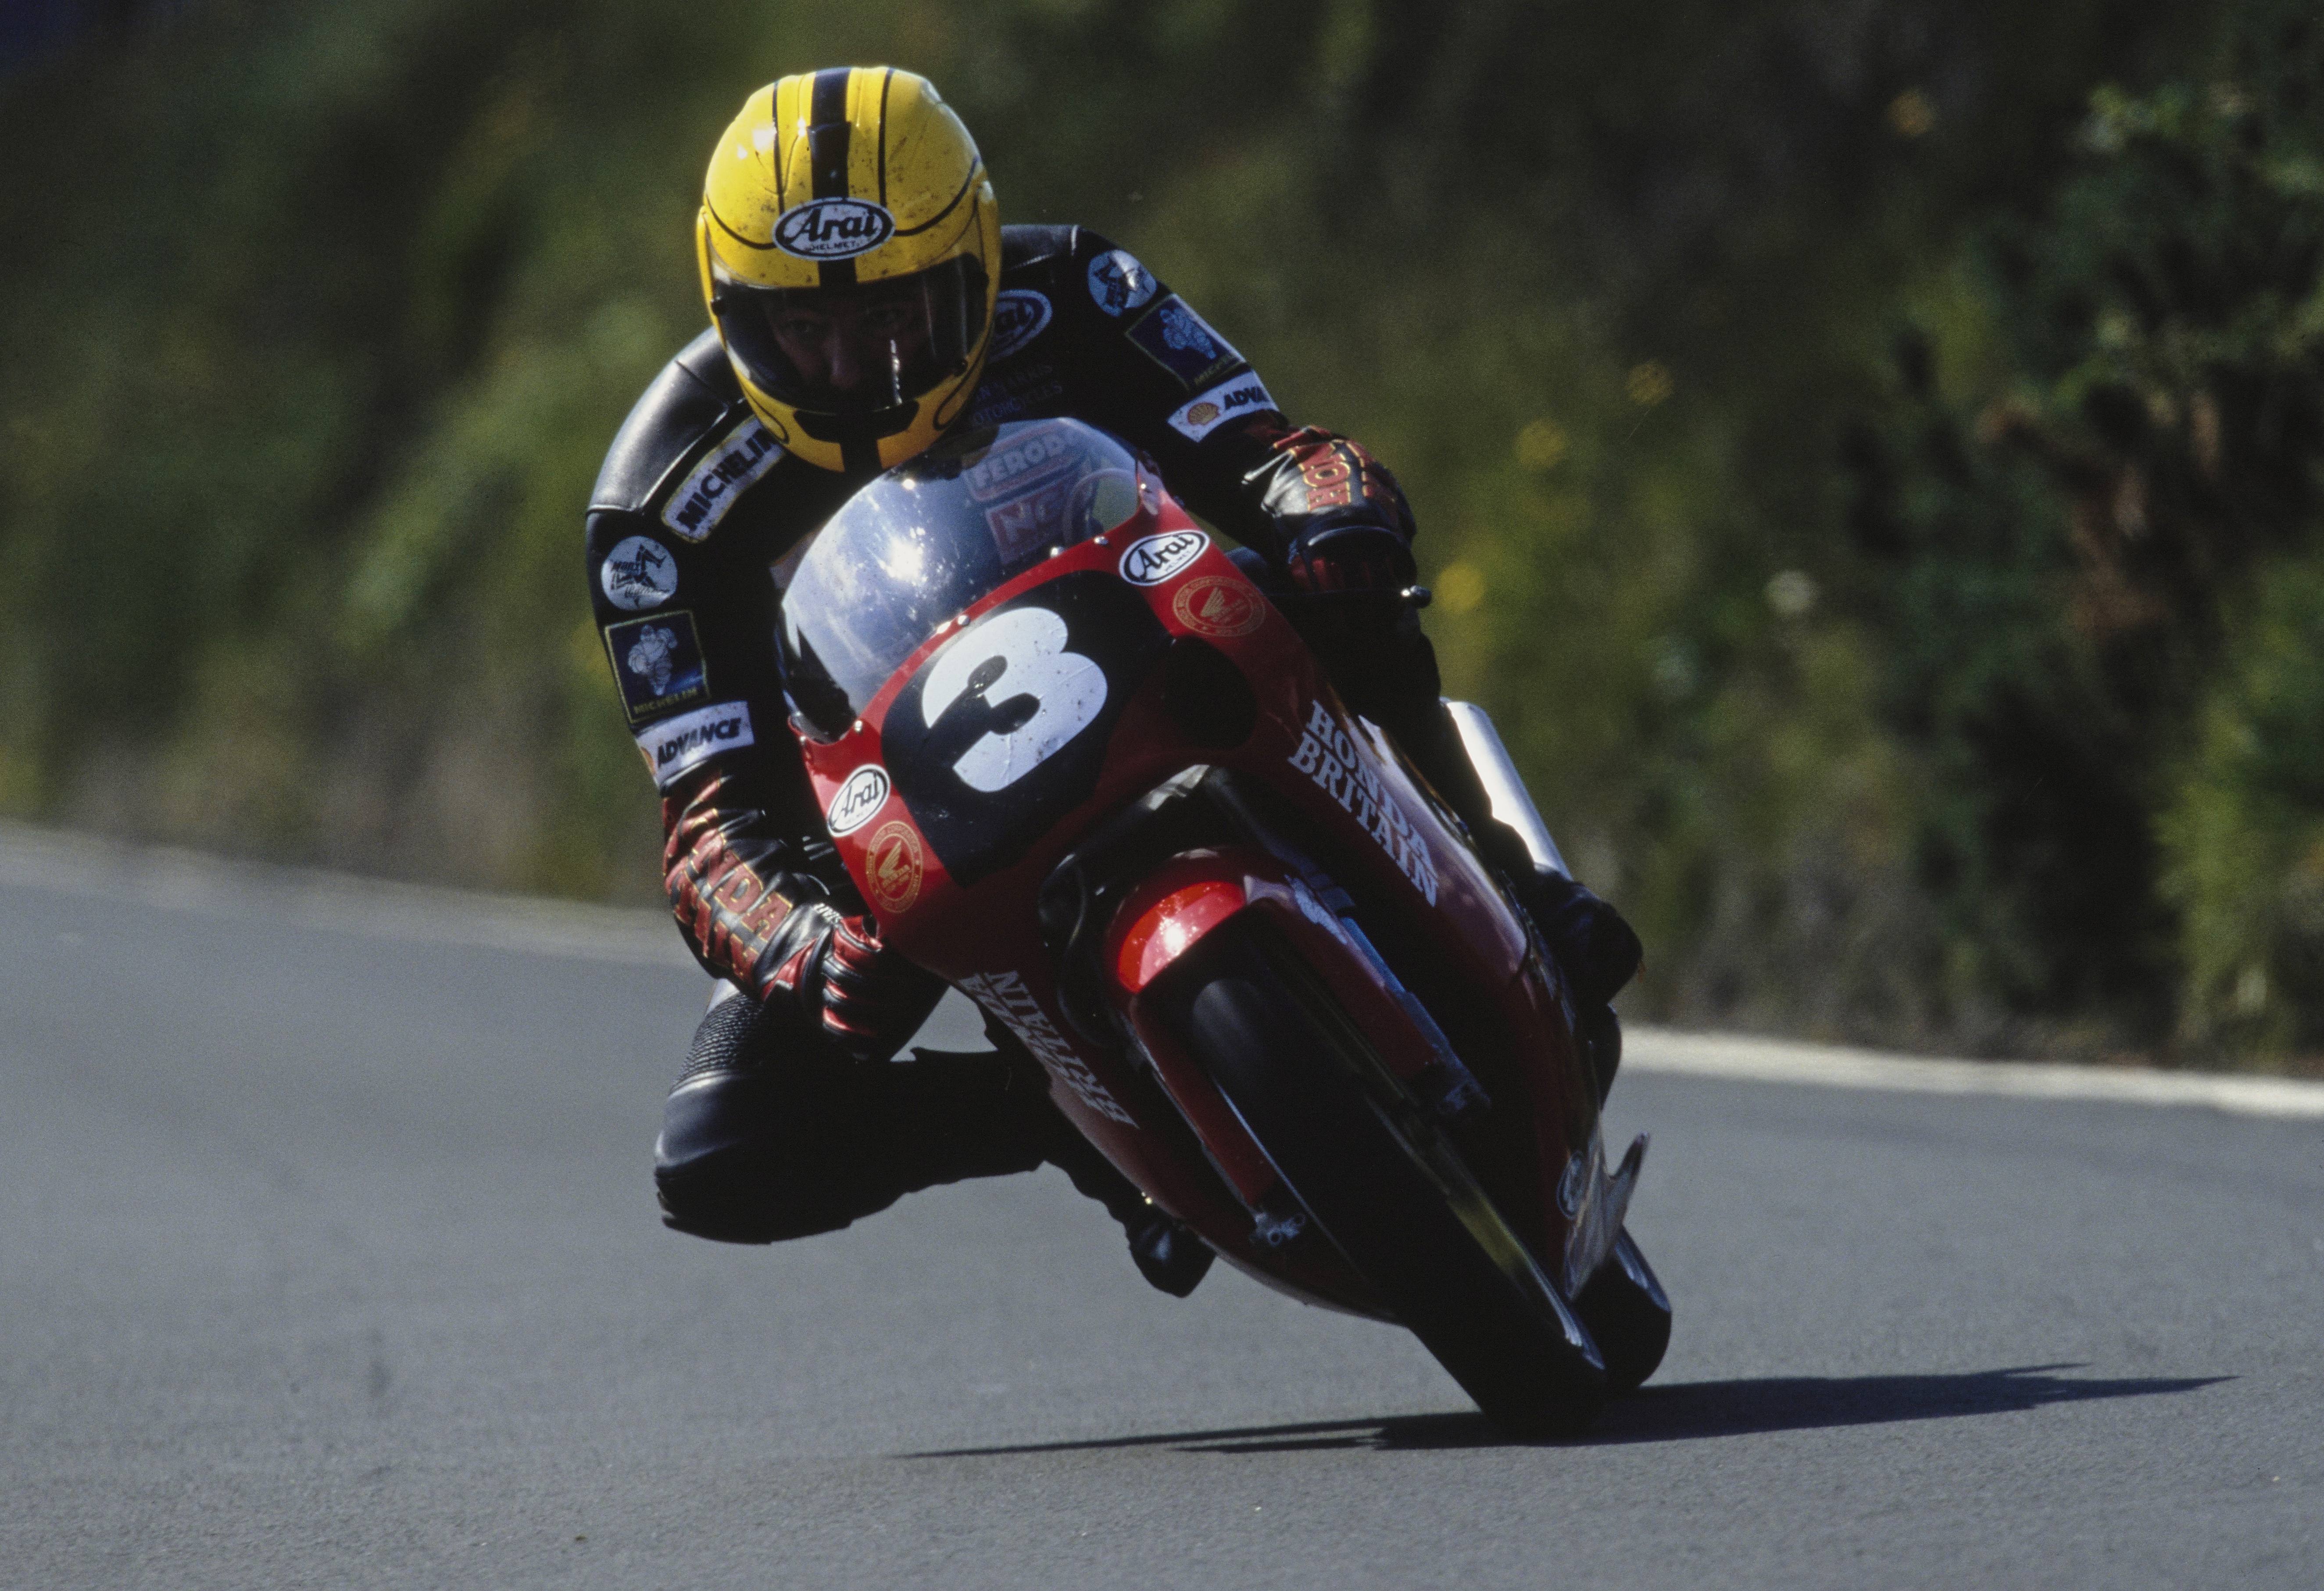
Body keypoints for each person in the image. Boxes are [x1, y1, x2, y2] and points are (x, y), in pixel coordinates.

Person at [583, 68, 1640, 1295]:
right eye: (799, 330)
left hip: (1158, 652)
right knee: (722, 1152)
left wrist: (1331, 508)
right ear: (728, 309)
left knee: (1336, 573)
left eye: (898, 317)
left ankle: (1499, 871)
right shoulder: (659, 504)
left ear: (973, 264)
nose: (852, 363)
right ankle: (1069, 1113)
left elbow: (1274, 454)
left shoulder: (1075, 290)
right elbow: (707, 814)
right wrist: (795, 938)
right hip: (887, 825)